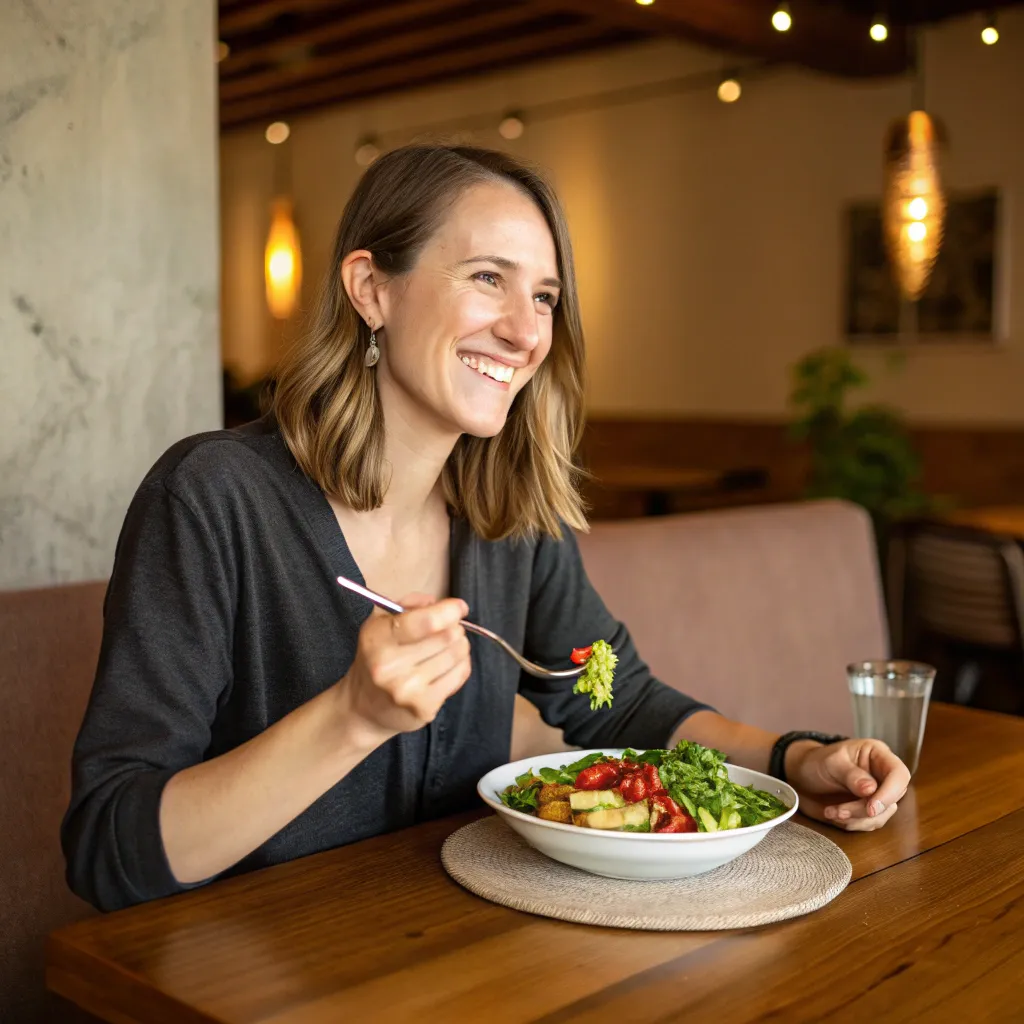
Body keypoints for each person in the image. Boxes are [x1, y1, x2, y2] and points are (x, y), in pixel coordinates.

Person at [62, 145, 910, 912]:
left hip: (455, 957)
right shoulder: (212, 498)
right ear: (371, 289)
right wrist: (352, 716)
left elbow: (618, 705)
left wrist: (797, 757)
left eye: (544, 295)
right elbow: (109, 851)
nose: (527, 330)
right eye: (486, 278)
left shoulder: (506, 516)